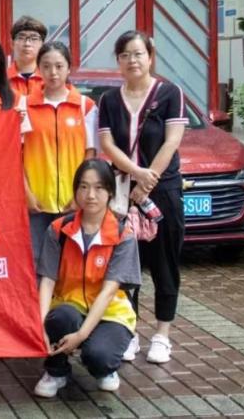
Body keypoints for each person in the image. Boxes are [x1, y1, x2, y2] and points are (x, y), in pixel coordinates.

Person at [97, 30, 187, 365]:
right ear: (118, 61)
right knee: (124, 264)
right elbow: (107, 144)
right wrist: (136, 173)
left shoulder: (170, 93)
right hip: (122, 193)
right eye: (125, 55)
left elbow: (172, 141)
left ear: (150, 57)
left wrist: (147, 182)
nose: (132, 60)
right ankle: (129, 330)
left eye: (138, 54)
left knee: (164, 263)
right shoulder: (109, 100)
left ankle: (162, 334)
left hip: (162, 191)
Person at [34, 159, 140, 398]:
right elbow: (47, 280)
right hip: (68, 306)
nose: (90, 195)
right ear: (75, 191)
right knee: (60, 318)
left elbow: (108, 292)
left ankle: (105, 366)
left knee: (99, 356)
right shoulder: (58, 229)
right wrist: (39, 326)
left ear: (110, 192)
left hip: (111, 313)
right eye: (83, 187)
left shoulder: (123, 235)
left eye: (99, 187)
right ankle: (56, 371)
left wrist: (81, 336)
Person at [24, 42, 98, 257]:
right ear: (38, 69)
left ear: (68, 68)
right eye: (46, 66)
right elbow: (16, 155)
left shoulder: (85, 106)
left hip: (72, 202)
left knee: (71, 260)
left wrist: (79, 194)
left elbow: (90, 155)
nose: (53, 72)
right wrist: (27, 194)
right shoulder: (24, 106)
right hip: (37, 202)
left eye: (59, 66)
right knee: (36, 260)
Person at [7, 16, 47, 97]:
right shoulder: (2, 79)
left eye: (34, 38)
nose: (27, 44)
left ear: (42, 44)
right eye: (21, 38)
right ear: (12, 43)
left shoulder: (50, 78)